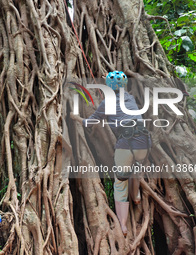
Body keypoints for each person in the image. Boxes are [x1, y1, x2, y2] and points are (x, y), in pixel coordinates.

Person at [71, 71, 151, 236]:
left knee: (120, 182)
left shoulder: (106, 103)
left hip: (126, 142)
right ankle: (136, 195)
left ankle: (122, 225)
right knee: (137, 165)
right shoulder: (130, 98)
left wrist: (76, 117)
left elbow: (91, 122)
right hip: (143, 140)